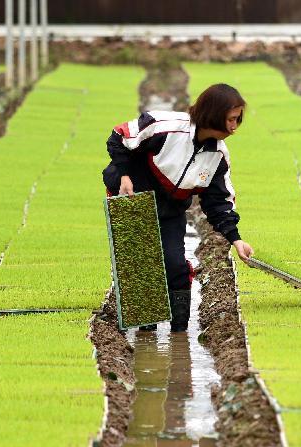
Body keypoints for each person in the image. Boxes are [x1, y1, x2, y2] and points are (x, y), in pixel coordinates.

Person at [103, 83, 254, 332]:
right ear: (213, 114)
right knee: (142, 267)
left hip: (172, 207)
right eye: (231, 119)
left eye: (238, 119)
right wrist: (125, 175)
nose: (234, 127)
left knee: (175, 265)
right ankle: (146, 334)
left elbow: (218, 202)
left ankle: (179, 335)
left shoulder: (217, 155)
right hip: (134, 200)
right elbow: (119, 137)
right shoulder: (165, 126)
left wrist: (236, 240)